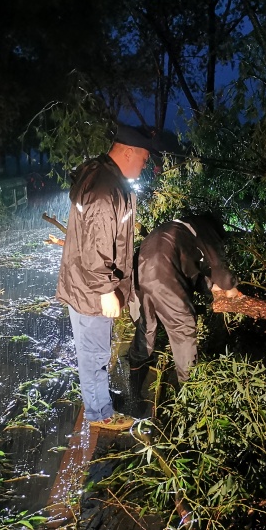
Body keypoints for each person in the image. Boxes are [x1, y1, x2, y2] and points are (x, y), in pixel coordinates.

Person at [56, 124, 155, 431]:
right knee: (93, 353)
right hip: (91, 290)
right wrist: (105, 290)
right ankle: (99, 413)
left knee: (95, 350)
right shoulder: (105, 190)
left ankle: (98, 398)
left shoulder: (101, 175)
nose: (145, 166)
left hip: (85, 285)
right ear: (129, 152)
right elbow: (95, 248)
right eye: (144, 159)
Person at [127, 214, 240, 392]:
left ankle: (136, 367)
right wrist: (230, 287)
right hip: (162, 273)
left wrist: (212, 286)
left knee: (147, 323)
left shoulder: (178, 229)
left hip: (138, 272)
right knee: (182, 327)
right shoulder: (207, 230)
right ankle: (188, 388)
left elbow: (191, 270)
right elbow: (217, 264)